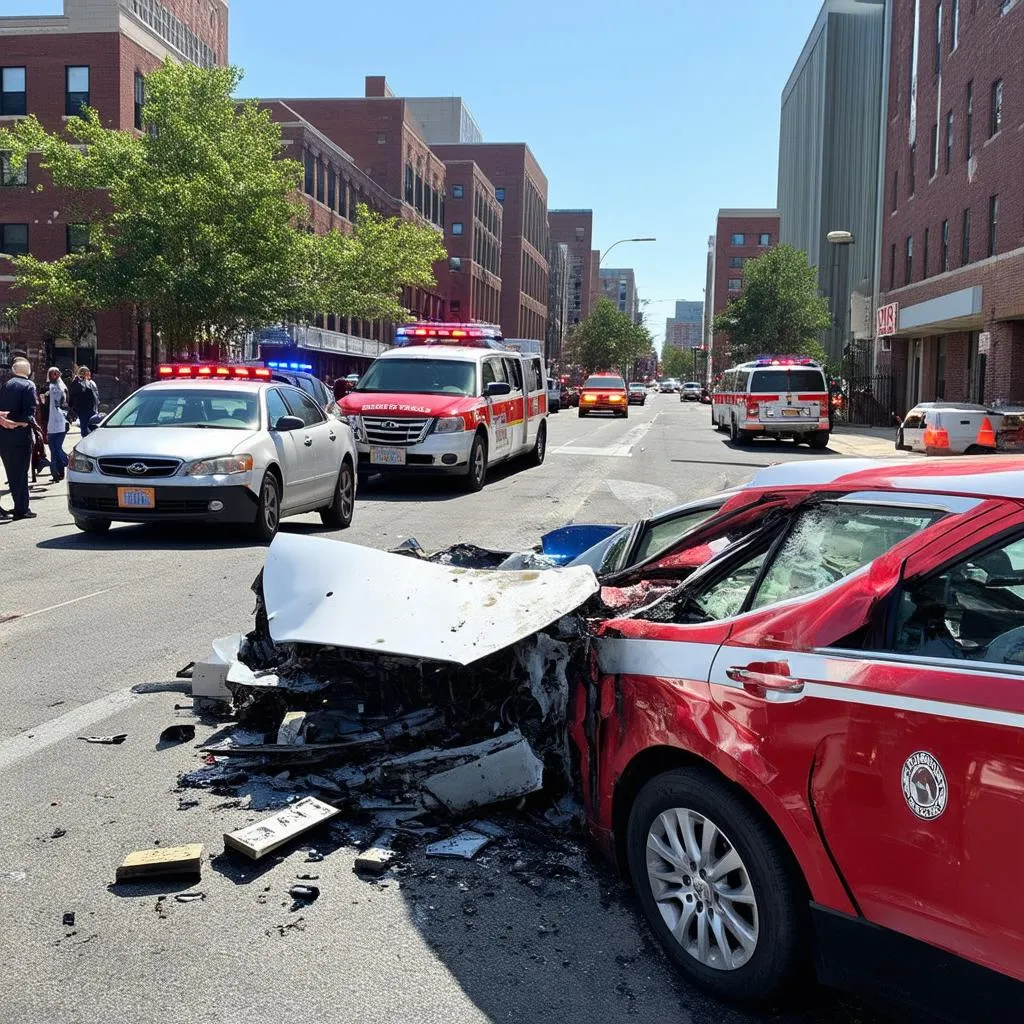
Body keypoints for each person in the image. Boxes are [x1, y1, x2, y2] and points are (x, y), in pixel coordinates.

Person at [0, 357, 40, 520]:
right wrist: (18, 423)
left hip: (3, 436)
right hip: (19, 435)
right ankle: (21, 508)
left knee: (12, 472)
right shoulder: (29, 386)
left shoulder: (6, 385)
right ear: (28, 371)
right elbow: (29, 414)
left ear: (14, 371)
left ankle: (21, 507)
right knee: (21, 473)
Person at [45, 367, 70, 482]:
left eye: (56, 374)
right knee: (54, 449)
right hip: (50, 423)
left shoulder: (62, 387)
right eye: (52, 374)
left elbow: (66, 405)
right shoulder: (47, 387)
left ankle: (66, 462)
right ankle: (57, 473)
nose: (54, 376)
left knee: (56, 448)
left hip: (61, 423)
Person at [69, 365, 99, 436]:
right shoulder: (78, 383)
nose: (87, 375)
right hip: (83, 410)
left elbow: (96, 396)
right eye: (85, 373)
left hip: (91, 409)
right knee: (85, 428)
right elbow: (73, 395)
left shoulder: (91, 383)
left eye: (87, 373)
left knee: (91, 427)